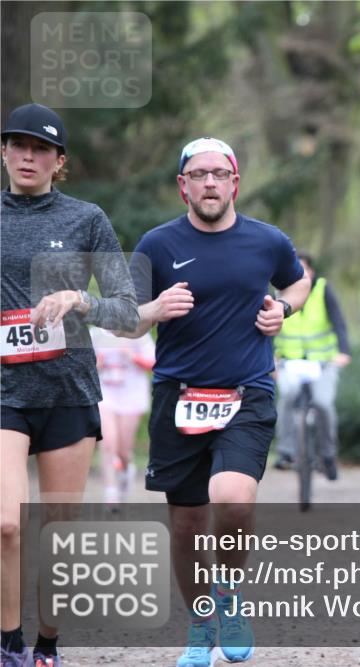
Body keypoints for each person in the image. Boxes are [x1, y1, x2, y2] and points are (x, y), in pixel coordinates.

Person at [119, 137, 310, 667]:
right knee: (184, 524)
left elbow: (299, 284)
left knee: (233, 500)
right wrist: (155, 308)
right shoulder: (155, 245)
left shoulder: (267, 241)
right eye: (197, 174)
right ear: (183, 185)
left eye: (218, 174)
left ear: (234, 182)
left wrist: (283, 310)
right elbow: (128, 322)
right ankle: (201, 625)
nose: (209, 183)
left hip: (246, 392)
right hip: (178, 398)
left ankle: (227, 595)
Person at [1, 103, 139, 667]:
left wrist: (80, 299)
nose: (27, 156)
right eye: (18, 145)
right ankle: (7, 643)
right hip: (4, 394)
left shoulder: (87, 219)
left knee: (60, 535)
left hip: (67, 393)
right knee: (6, 524)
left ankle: (47, 646)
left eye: (41, 149)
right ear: (4, 152)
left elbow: (128, 312)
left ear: (60, 161)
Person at [272, 252, 351, 478]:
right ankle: (286, 452)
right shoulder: (276, 293)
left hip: (323, 362)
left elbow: (338, 321)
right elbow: (266, 329)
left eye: (303, 270)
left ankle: (327, 455)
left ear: (312, 273)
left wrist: (344, 352)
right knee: (287, 396)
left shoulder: (323, 290)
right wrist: (269, 362)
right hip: (289, 361)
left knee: (323, 404)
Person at [89, 326, 155, 506]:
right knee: (108, 443)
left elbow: (154, 363)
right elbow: (83, 366)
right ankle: (110, 492)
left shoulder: (138, 333)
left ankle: (126, 471)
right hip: (105, 394)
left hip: (131, 396)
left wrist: (132, 356)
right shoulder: (95, 335)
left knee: (123, 450)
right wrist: (97, 364)